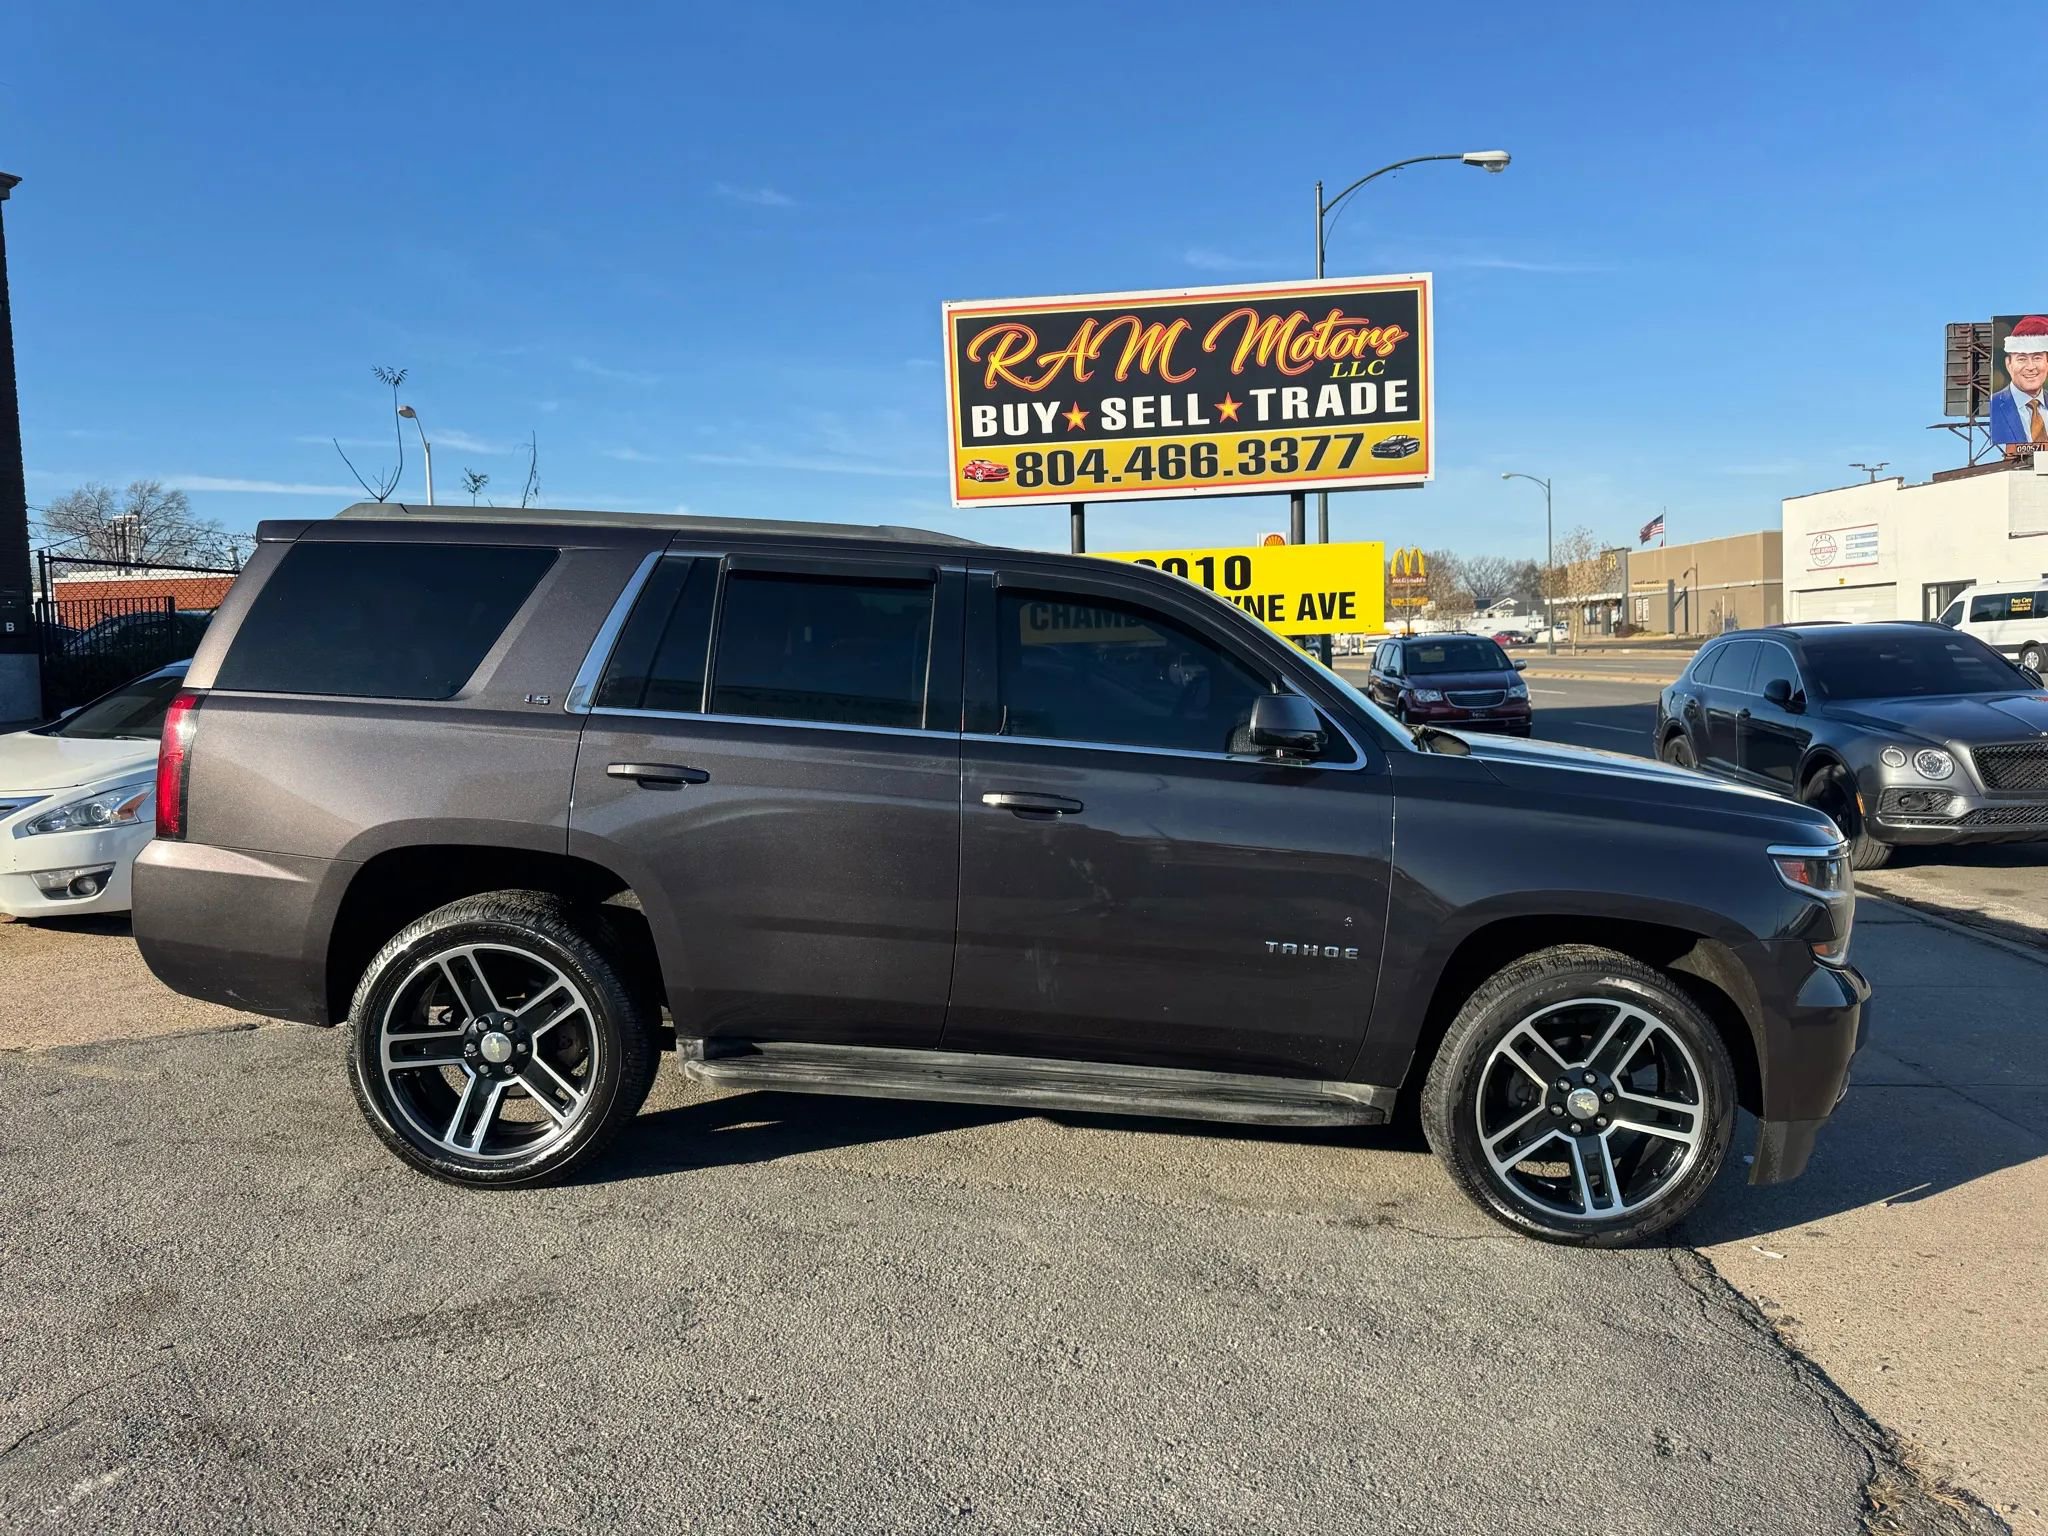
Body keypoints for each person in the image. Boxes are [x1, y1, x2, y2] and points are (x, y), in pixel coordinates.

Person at [1991, 314, 2048, 454]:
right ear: (2008, 364)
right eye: (2022, 359)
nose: (2031, 367)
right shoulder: (1996, 404)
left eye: (2037, 358)